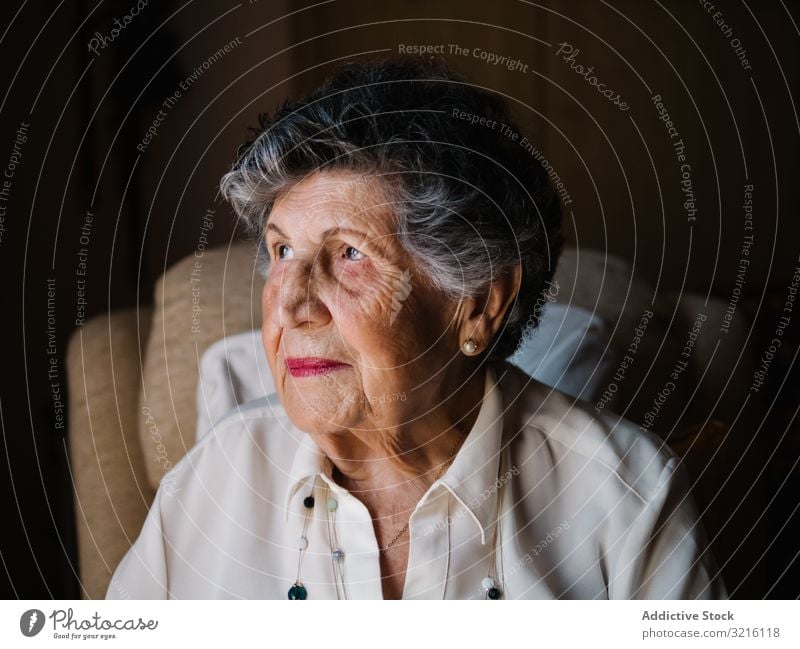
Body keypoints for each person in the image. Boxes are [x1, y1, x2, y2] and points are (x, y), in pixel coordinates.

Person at [106, 56, 726, 599]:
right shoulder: (219, 472)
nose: (290, 303)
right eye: (281, 251)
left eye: (350, 254)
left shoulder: (624, 495)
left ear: (478, 305)